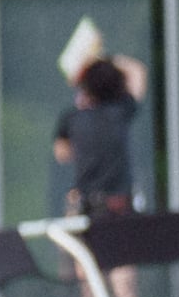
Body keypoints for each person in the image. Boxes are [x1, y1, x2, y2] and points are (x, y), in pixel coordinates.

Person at [52, 50, 141, 217]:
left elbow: (62, 154)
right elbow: (137, 71)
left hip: (88, 206)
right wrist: (103, 58)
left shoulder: (72, 119)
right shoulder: (121, 112)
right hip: (121, 206)